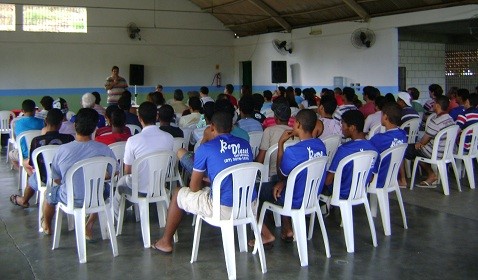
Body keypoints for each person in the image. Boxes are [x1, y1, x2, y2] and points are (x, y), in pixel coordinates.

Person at [151, 111, 253, 253]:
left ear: (212, 127)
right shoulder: (245, 145)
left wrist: (205, 138)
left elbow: (194, 188)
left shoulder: (206, 148)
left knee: (178, 192)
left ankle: (165, 242)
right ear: (232, 127)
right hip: (249, 205)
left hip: (223, 208)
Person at [255, 109, 327, 246]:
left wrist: (281, 144)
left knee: (255, 190)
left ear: (298, 125)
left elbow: (281, 174)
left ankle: (265, 234)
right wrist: (284, 182)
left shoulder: (293, 151)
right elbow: (298, 174)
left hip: (293, 199)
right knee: (281, 185)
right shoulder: (321, 146)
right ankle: (286, 228)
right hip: (311, 196)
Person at [41, 108, 117, 235]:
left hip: (69, 198)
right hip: (96, 198)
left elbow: (56, 178)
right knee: (103, 189)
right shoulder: (104, 149)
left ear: (75, 126)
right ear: (94, 129)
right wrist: (99, 176)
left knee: (49, 193)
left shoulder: (62, 150)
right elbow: (114, 172)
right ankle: (90, 224)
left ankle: (47, 225)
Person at [113, 102, 174, 217]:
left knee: (122, 183)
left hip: (139, 190)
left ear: (139, 118)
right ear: (156, 116)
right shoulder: (169, 138)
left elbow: (127, 171)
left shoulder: (133, 140)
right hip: (160, 186)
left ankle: (116, 216)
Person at [9, 109, 75, 208]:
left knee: (34, 178)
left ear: (45, 121)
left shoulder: (37, 141)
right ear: (61, 123)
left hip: (45, 177)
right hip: (65, 177)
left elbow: (32, 164)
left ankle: (24, 200)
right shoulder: (69, 139)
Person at [323, 110, 379, 199]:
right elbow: (371, 177)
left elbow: (328, 181)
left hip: (341, 192)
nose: (341, 128)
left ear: (352, 128)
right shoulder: (373, 149)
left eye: (343, 125)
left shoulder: (344, 149)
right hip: (361, 190)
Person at [402, 96, 454, 187]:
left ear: (437, 105)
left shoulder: (436, 121)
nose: (432, 105)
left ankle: (430, 174)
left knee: (403, 149)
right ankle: (430, 173)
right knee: (416, 149)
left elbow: (423, 141)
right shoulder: (450, 118)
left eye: (434, 103)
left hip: (434, 152)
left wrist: (419, 144)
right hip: (446, 151)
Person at [369, 102, 407, 187]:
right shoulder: (403, 135)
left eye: (381, 115)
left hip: (378, 179)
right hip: (391, 178)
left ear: (385, 117)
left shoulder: (379, 138)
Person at [255, 102, 292, 178]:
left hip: (272, 176)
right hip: (290, 175)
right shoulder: (295, 132)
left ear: (275, 117)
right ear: (289, 117)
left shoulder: (269, 131)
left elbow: (260, 160)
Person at [8, 99, 45, 169]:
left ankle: (24, 172)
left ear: (22, 111)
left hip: (24, 155)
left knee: (11, 154)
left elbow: (16, 138)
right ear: (35, 110)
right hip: (40, 154)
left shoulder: (17, 123)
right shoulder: (42, 122)